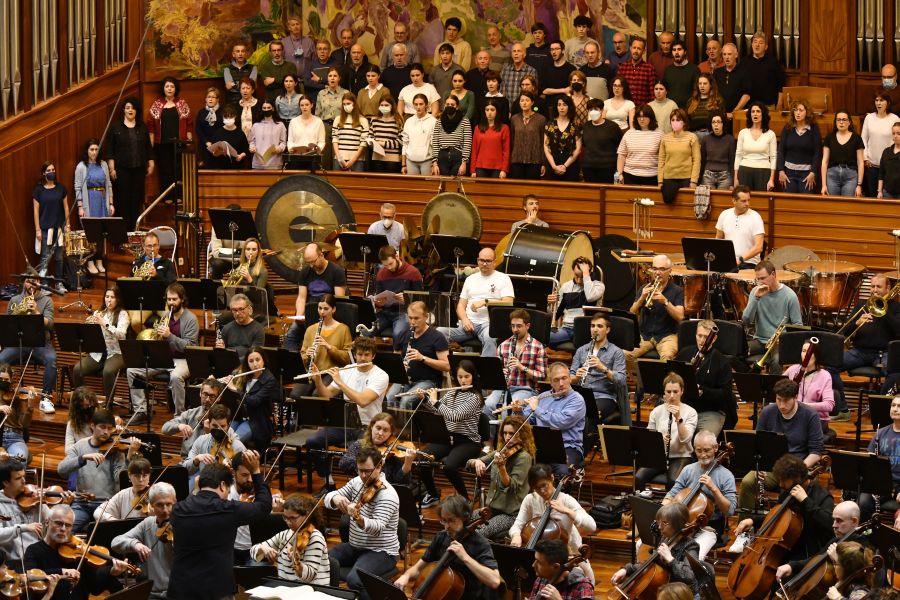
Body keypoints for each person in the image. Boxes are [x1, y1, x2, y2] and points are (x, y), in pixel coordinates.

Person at [167, 454, 272, 600]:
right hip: (215, 590)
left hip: (181, 588)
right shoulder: (229, 510)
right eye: (228, 489)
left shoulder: (177, 510)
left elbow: (195, 505)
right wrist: (255, 471)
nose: (228, 493)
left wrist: (198, 489)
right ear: (223, 485)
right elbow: (264, 506)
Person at [307, 337, 388, 495]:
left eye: (366, 355)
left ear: (373, 356)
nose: (362, 358)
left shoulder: (381, 375)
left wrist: (340, 382)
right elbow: (327, 394)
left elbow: (363, 401)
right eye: (359, 354)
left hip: (368, 427)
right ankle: (328, 482)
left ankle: (355, 490)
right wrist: (318, 380)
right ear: (355, 354)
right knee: (313, 442)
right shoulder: (348, 370)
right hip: (345, 424)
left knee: (351, 456)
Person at [737, 380, 825, 512]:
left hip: (797, 469)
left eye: (786, 400)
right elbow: (758, 442)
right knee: (748, 481)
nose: (782, 405)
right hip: (771, 467)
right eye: (779, 400)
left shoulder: (810, 415)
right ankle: (745, 525)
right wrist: (759, 465)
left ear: (796, 397)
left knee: (791, 491)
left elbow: (816, 452)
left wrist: (799, 469)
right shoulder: (768, 412)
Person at [325, 446, 400, 600]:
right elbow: (326, 499)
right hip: (355, 546)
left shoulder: (388, 494)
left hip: (382, 551)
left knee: (355, 580)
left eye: (368, 471)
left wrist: (358, 518)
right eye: (360, 470)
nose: (364, 475)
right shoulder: (356, 482)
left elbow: (377, 528)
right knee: (321, 563)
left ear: (379, 466)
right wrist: (335, 498)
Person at [394, 495, 501, 598]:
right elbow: (418, 568)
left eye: (451, 520)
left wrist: (466, 558)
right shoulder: (441, 537)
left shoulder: (479, 543)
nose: (446, 526)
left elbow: (494, 581)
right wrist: (405, 576)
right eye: (444, 520)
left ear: (464, 517)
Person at [734, 453, 833, 561]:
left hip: (808, 554)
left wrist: (805, 501)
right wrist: (752, 520)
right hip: (785, 549)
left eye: (783, 480)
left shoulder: (823, 496)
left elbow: (828, 524)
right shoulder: (787, 492)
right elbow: (777, 517)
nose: (780, 484)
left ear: (797, 478)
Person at [414, 360, 485, 506]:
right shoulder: (452, 393)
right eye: (460, 377)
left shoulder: (475, 398)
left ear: (473, 377)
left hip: (469, 441)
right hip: (448, 439)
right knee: (421, 460)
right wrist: (426, 399)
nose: (463, 380)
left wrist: (434, 401)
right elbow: (438, 411)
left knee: (449, 466)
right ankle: (433, 495)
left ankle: (465, 499)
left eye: (467, 376)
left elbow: (454, 416)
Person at [57, 408, 141, 531]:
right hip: (81, 504)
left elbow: (120, 478)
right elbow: (61, 470)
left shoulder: (116, 450)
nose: (106, 432)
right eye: (102, 427)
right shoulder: (80, 446)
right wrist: (83, 458)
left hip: (105, 504)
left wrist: (129, 456)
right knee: (64, 529)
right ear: (92, 426)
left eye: (109, 428)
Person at [510, 464, 597, 583]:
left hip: (570, 558)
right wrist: (516, 535)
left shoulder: (566, 500)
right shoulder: (530, 500)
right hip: (541, 561)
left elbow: (592, 526)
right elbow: (517, 524)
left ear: (551, 478)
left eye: (544, 485)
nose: (542, 491)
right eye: (536, 488)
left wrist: (567, 511)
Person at [24, 504, 127, 600]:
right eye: (59, 523)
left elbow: (95, 588)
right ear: (47, 522)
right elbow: (31, 577)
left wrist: (112, 572)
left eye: (68, 525)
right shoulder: (33, 550)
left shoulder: (77, 553)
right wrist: (62, 571)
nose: (63, 529)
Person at [127, 283, 197, 419]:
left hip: (184, 359)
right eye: (168, 299)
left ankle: (180, 416)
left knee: (176, 377)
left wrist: (169, 336)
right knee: (132, 370)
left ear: (182, 299)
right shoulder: (166, 315)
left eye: (174, 299)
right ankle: (141, 410)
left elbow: (190, 347)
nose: (171, 303)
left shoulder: (191, 319)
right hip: (164, 358)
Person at [663, 430, 737, 559]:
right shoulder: (688, 470)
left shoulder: (726, 476)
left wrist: (714, 489)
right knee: (645, 543)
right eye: (698, 450)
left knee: (692, 557)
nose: (702, 455)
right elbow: (673, 492)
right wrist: (664, 506)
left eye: (707, 450)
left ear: (715, 448)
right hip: (682, 523)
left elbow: (729, 511)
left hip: (709, 528)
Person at [467, 415, 535, 542]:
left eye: (512, 433)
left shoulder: (524, 458)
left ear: (522, 435)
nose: (507, 437)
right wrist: (476, 462)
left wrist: (502, 468)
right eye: (505, 433)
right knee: (461, 520)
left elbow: (512, 485)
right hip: (491, 509)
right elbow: (470, 462)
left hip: (510, 514)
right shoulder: (501, 452)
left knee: (479, 533)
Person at [513, 362, 587, 477]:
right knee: (522, 466)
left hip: (567, 447)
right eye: (556, 380)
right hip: (542, 447)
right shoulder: (542, 396)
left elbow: (560, 423)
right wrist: (518, 411)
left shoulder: (577, 400)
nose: (561, 383)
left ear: (570, 379)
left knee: (563, 472)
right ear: (551, 382)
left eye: (564, 378)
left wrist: (536, 409)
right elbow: (525, 423)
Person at [438, 247, 514, 357]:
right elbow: (461, 305)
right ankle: (445, 366)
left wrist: (485, 302)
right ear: (478, 260)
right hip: (468, 324)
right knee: (439, 332)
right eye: (482, 260)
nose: (484, 264)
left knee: (490, 338)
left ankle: (485, 371)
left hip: (489, 324)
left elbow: (508, 303)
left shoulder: (503, 278)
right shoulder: (470, 279)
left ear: (494, 262)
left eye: (488, 261)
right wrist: (464, 319)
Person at [610, 503, 700, 594]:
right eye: (659, 522)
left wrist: (671, 559)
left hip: (683, 594)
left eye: (664, 523)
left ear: (677, 524)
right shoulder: (665, 539)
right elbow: (650, 563)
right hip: (666, 590)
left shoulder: (691, 546)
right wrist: (626, 569)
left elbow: (690, 576)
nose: (660, 527)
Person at [110, 481, 177, 599]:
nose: (165, 510)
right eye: (160, 505)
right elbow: (116, 542)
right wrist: (135, 544)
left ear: (175, 502)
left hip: (177, 593)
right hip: (151, 594)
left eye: (169, 504)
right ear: (151, 505)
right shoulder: (148, 524)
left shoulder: (182, 525)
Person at [0, 273, 59, 404]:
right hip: (19, 342)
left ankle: (46, 397)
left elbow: (50, 324)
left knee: (52, 360)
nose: (31, 284)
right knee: (1, 359)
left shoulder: (47, 301)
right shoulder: (14, 300)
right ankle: (2, 393)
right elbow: (6, 324)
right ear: (24, 283)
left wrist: (37, 312)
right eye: (28, 281)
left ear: (39, 283)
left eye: (34, 281)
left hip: (41, 343)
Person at [634, 372, 698, 490]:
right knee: (638, 478)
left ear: (682, 391)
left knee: (673, 481)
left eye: (675, 391)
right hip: (659, 455)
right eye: (668, 392)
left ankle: (669, 507)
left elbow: (686, 439)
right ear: (664, 392)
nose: (672, 396)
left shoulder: (691, 412)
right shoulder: (656, 411)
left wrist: (678, 418)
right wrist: (658, 438)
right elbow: (649, 436)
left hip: (681, 455)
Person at [0, 458, 70, 563]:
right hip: (16, 561)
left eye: (24, 476)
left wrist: (65, 505)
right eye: (18, 478)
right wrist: (24, 528)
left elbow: (54, 523)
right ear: (5, 482)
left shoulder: (35, 499)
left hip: (40, 556)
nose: (24, 481)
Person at [282, 242, 347, 352]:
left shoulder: (337, 271)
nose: (312, 265)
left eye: (313, 261)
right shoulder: (305, 272)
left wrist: (326, 315)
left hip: (327, 311)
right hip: (310, 310)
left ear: (321, 255)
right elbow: (302, 297)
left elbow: (339, 300)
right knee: (290, 337)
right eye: (309, 263)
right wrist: (299, 316)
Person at [250, 494, 330, 584]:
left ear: (306, 515)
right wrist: (262, 548)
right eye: (285, 518)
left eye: (293, 518)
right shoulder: (285, 535)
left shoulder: (315, 538)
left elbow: (310, 577)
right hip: (286, 588)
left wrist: (297, 564)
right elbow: (253, 551)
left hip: (311, 590)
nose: (288, 522)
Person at [625, 254, 685, 372]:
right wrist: (641, 298)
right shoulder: (644, 288)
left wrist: (665, 302)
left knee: (668, 358)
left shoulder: (677, 291)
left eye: (662, 269)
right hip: (645, 335)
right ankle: (642, 383)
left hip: (667, 335)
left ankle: (662, 387)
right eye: (655, 268)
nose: (658, 273)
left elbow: (680, 316)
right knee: (623, 355)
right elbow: (631, 313)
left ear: (670, 271)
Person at [675, 320, 736, 434]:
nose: (702, 341)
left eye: (706, 337)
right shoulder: (684, 353)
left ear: (714, 338)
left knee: (705, 440)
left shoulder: (722, 362)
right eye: (699, 336)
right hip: (684, 406)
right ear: (695, 335)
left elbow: (725, 395)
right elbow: (672, 377)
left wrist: (703, 391)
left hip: (710, 411)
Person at [743, 261, 804, 373]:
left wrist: (784, 339)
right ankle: (753, 381)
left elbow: (798, 326)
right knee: (736, 352)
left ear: (773, 274)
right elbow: (746, 321)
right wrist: (756, 298)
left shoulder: (790, 296)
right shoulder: (755, 292)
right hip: (760, 340)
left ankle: (773, 389)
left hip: (779, 342)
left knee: (776, 360)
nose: (761, 282)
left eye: (763, 278)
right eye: (758, 279)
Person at [486, 309, 548, 417]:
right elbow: (495, 373)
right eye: (513, 326)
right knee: (488, 405)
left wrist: (522, 367)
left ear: (527, 326)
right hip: (504, 387)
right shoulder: (503, 345)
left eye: (519, 326)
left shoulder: (538, 347)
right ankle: (491, 434)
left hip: (526, 388)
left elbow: (542, 376)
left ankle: (507, 433)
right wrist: (501, 373)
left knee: (508, 410)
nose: (515, 329)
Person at [388, 300, 450, 407]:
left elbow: (447, 365)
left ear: (426, 317)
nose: (412, 322)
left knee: (406, 401)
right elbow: (395, 359)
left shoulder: (437, 337)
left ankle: (409, 424)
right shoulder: (403, 334)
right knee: (390, 397)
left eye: (416, 318)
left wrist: (422, 358)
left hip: (429, 381)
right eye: (410, 318)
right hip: (406, 379)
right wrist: (400, 366)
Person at [105, 96, 154, 230]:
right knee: (122, 201)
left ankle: (134, 231)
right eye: (127, 108)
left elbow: (148, 147)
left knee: (136, 200)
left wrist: (151, 163)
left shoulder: (142, 126)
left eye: (132, 108)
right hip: (121, 170)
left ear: (136, 110)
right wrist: (112, 168)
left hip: (139, 170)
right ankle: (123, 233)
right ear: (123, 110)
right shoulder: (116, 127)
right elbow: (110, 149)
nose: (130, 110)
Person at [292, 293, 352, 398]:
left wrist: (329, 347)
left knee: (317, 395)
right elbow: (302, 356)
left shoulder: (343, 329)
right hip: (313, 371)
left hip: (331, 372)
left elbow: (347, 359)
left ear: (333, 309)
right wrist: (307, 355)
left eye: (326, 309)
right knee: (295, 394)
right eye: (320, 308)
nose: (322, 312)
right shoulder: (311, 329)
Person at [569, 314, 626, 421]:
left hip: (604, 396)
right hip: (581, 394)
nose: (595, 330)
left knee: (586, 415)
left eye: (599, 326)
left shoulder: (616, 352)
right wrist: (576, 377)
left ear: (607, 330)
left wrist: (603, 368)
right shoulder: (581, 350)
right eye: (592, 326)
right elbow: (570, 378)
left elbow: (621, 381)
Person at [146, 77, 192, 203]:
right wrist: (151, 145)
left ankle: (178, 196)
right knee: (165, 170)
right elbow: (151, 126)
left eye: (172, 86)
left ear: (175, 88)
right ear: (163, 89)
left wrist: (188, 137)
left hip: (179, 143)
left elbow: (189, 123)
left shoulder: (181, 103)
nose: (169, 89)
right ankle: (167, 197)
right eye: (167, 86)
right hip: (162, 144)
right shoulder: (157, 104)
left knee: (178, 170)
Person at [338, 412, 414, 485]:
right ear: (371, 427)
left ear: (391, 433)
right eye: (378, 428)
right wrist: (368, 464)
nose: (380, 433)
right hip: (360, 486)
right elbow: (344, 463)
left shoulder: (393, 452)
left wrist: (407, 464)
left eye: (385, 430)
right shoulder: (360, 445)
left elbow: (400, 482)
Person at [370, 245, 422, 350]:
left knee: (398, 333)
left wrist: (408, 298)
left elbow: (421, 299)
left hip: (404, 312)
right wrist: (378, 302)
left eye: (391, 264)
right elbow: (379, 296)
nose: (389, 268)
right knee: (365, 330)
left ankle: (398, 359)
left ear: (397, 257)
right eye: (385, 265)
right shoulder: (381, 274)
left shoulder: (413, 272)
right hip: (385, 312)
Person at [226, 347, 278, 451]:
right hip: (239, 417)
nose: (255, 364)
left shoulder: (269, 379)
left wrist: (235, 390)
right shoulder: (243, 375)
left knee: (233, 442)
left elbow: (255, 401)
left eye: (258, 360)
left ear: (263, 360)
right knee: (222, 438)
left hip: (256, 422)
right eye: (251, 361)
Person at [549, 257, 604, 348]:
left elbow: (590, 297)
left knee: (585, 346)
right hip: (567, 329)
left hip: (587, 329)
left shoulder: (598, 286)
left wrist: (586, 274)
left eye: (582, 276)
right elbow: (556, 315)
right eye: (576, 275)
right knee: (545, 337)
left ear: (589, 273)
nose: (578, 280)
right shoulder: (566, 286)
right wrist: (551, 305)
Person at [860, 395, 900, 520]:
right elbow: (870, 461)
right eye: (893, 405)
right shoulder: (881, 433)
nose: (895, 409)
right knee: (863, 502)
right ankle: (869, 535)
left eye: (899, 406)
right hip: (883, 484)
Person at [162, 377, 222, 458]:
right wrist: (180, 426)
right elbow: (165, 428)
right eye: (205, 394)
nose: (207, 400)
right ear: (200, 393)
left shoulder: (221, 418)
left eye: (212, 396)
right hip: (186, 460)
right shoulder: (191, 413)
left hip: (208, 461)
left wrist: (210, 432)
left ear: (219, 398)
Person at [183, 404, 246, 480]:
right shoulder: (201, 440)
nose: (218, 429)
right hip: (205, 483)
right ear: (209, 424)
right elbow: (185, 469)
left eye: (222, 426)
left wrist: (231, 471)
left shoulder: (238, 447)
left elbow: (244, 476)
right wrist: (196, 460)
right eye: (214, 426)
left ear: (228, 425)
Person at [784, 339, 836, 430]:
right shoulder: (792, 370)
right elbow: (777, 390)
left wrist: (802, 405)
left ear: (817, 355)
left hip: (816, 419)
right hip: (792, 416)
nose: (806, 355)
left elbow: (829, 405)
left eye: (809, 352)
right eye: (803, 351)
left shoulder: (824, 375)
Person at [31, 162, 69, 288]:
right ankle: (44, 284)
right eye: (49, 170)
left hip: (59, 228)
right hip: (44, 229)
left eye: (53, 169)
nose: (52, 171)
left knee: (59, 257)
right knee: (45, 258)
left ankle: (59, 282)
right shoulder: (38, 190)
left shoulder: (61, 188)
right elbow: (36, 211)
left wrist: (67, 224)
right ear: (44, 173)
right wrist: (37, 229)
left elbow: (66, 207)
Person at [777, 99, 822, 193]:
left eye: (801, 110)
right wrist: (781, 171)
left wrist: (813, 173)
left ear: (807, 113)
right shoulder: (788, 128)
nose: (797, 113)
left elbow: (818, 153)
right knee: (788, 203)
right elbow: (781, 150)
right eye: (795, 110)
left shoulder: (814, 129)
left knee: (805, 203)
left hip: (807, 174)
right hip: (788, 173)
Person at [715, 185, 765, 268]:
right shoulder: (724, 214)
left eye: (748, 200)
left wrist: (740, 259)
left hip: (749, 262)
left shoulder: (755, 217)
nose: (747, 204)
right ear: (734, 201)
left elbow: (759, 247)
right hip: (729, 261)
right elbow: (718, 239)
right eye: (743, 201)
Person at [658, 108, 700, 203]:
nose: (675, 122)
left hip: (686, 178)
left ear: (684, 122)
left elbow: (696, 160)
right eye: (673, 120)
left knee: (686, 205)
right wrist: (660, 180)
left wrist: (693, 181)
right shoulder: (665, 138)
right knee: (668, 202)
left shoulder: (692, 137)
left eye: (678, 120)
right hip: (669, 177)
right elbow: (661, 160)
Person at [529, 538, 595, 599]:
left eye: (539, 562)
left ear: (556, 567)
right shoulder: (541, 579)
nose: (533, 565)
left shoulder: (583, 587)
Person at [860, 90, 898, 196]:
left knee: (887, 195)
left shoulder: (894, 119)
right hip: (872, 165)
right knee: (872, 194)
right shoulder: (869, 118)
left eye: (881, 100)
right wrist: (865, 158)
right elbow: (863, 138)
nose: (878, 103)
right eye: (876, 100)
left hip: (889, 165)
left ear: (888, 103)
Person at [92, 457, 152, 521]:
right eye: (137, 476)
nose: (141, 480)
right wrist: (114, 521)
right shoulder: (123, 495)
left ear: (149, 476)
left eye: (145, 476)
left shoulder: (156, 493)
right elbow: (98, 512)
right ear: (129, 475)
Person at [616, 104, 663, 185]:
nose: (641, 119)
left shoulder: (659, 133)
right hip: (630, 175)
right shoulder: (629, 133)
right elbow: (622, 154)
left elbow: (663, 157)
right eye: (639, 116)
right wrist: (619, 173)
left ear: (651, 118)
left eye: (644, 116)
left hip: (652, 177)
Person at [822, 110, 866, 197]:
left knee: (847, 205)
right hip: (832, 176)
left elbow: (860, 162)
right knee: (833, 205)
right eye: (838, 120)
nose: (841, 122)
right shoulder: (829, 137)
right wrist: (823, 185)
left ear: (849, 122)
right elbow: (824, 161)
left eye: (844, 120)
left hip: (850, 176)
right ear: (835, 122)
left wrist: (859, 185)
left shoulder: (856, 138)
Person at [734, 101, 777, 191]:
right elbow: (738, 156)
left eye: (758, 111)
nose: (755, 114)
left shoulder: (770, 134)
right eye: (752, 111)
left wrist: (771, 179)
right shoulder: (743, 133)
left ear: (763, 114)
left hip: (763, 171)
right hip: (744, 170)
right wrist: (735, 178)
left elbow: (773, 157)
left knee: (760, 203)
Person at [580, 98, 622, 183]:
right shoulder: (585, 126)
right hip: (588, 166)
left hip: (607, 167)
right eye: (591, 109)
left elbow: (621, 146)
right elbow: (584, 145)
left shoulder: (613, 127)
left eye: (596, 109)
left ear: (602, 110)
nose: (593, 112)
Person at [0, 366, 37, 461]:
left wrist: (30, 408)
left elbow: (24, 423)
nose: (3, 382)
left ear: (11, 380)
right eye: (0, 379)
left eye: (6, 380)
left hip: (14, 437)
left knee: (19, 460)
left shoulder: (16, 396)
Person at [508, 91, 547, 179]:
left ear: (532, 102)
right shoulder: (514, 119)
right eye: (522, 100)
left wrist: (544, 163)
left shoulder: (541, 119)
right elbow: (512, 140)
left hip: (535, 161)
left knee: (532, 190)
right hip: (517, 160)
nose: (524, 103)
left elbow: (543, 143)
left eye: (527, 100)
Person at [743, 31, 786, 109]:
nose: (757, 45)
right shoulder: (744, 62)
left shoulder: (773, 62)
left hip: (769, 106)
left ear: (766, 47)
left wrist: (779, 104)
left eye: (761, 43)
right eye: (755, 42)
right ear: (752, 44)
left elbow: (781, 85)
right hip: (749, 106)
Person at [543, 95, 582, 181]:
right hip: (552, 164)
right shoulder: (549, 125)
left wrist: (565, 166)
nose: (561, 107)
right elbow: (546, 147)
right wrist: (554, 166)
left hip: (570, 166)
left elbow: (578, 149)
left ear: (569, 107)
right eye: (559, 105)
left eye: (564, 105)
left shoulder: (575, 126)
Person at [431, 94, 472, 176]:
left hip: (457, 156)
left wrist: (464, 163)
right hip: (442, 156)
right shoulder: (439, 122)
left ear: (457, 107)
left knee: (455, 185)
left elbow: (467, 143)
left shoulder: (465, 122)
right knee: (443, 184)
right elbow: (435, 142)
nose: (449, 106)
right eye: (447, 104)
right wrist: (435, 163)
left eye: (452, 105)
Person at [471, 98, 510, 178]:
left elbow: (506, 151)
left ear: (497, 111)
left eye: (492, 110)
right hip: (480, 166)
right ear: (484, 112)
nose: (489, 112)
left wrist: (504, 169)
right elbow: (474, 150)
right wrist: (472, 170)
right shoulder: (478, 128)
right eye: (487, 110)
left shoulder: (504, 128)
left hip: (498, 168)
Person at [401, 93, 438, 175]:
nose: (418, 107)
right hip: (410, 161)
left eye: (421, 104)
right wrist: (403, 164)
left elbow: (435, 144)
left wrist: (435, 163)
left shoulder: (433, 121)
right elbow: (405, 143)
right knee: (412, 186)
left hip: (427, 161)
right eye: (416, 104)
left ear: (426, 105)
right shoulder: (409, 121)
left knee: (427, 187)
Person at [331, 92, 368, 171]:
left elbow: (363, 142)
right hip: (339, 159)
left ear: (354, 104)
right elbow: (335, 139)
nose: (346, 106)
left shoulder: (363, 120)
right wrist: (339, 157)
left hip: (357, 160)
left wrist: (353, 160)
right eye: (344, 104)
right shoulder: (338, 119)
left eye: (348, 103)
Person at [714, 43, 751, 121]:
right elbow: (714, 93)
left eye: (729, 54)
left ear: (736, 55)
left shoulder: (744, 72)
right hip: (721, 115)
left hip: (738, 114)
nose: (727, 57)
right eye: (724, 54)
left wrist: (734, 112)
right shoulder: (717, 72)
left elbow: (747, 95)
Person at [366, 95, 402, 172]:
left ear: (392, 106)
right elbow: (370, 136)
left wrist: (383, 143)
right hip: (377, 158)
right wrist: (371, 142)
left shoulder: (397, 120)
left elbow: (401, 141)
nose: (384, 107)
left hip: (392, 159)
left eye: (386, 105)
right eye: (382, 105)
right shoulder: (374, 120)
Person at [206, 104, 249, 168]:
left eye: (230, 117)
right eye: (226, 117)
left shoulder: (240, 133)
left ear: (235, 116)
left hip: (237, 167)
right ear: (222, 117)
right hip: (221, 167)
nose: (228, 119)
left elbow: (246, 150)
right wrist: (217, 153)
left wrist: (241, 156)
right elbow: (213, 153)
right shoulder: (218, 133)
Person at [701, 111, 736, 189]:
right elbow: (702, 161)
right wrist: (700, 179)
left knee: (722, 200)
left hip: (725, 176)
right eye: (713, 122)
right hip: (708, 175)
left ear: (723, 124)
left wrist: (732, 183)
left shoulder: (730, 139)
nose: (716, 125)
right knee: (706, 200)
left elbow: (732, 161)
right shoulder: (705, 139)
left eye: (718, 122)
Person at [617, 38, 656, 107]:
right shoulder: (622, 68)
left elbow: (652, 95)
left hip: (642, 111)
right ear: (630, 49)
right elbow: (617, 89)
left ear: (644, 51)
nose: (636, 51)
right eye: (634, 48)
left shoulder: (649, 69)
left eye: (639, 48)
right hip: (624, 109)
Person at [248, 99, 286, 169]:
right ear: (261, 109)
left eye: (268, 108)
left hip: (275, 163)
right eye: (264, 108)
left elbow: (283, 143)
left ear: (273, 109)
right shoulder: (256, 125)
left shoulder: (280, 125)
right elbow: (252, 142)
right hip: (258, 162)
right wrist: (252, 148)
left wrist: (279, 148)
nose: (266, 110)